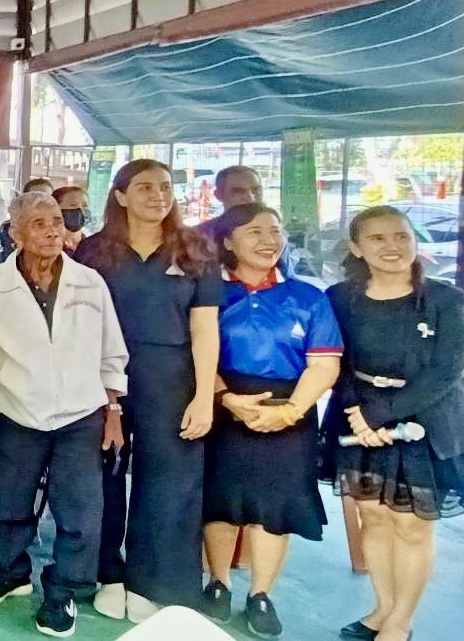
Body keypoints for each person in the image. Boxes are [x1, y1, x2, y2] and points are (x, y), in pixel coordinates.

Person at [0, 191, 127, 638]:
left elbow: (112, 350)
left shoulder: (89, 281)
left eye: (56, 221)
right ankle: (11, 572)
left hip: (81, 413)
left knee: (79, 510)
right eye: (38, 224)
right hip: (16, 410)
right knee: (7, 502)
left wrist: (113, 409)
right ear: (16, 233)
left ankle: (63, 592)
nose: (53, 231)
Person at [325, 206, 464, 641]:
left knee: (412, 525)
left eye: (401, 236)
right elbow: (334, 359)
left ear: (415, 241)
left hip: (429, 421)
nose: (392, 246)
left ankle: (401, 621)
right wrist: (359, 413)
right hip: (360, 418)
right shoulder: (340, 298)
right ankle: (382, 609)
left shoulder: (447, 300)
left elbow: (447, 371)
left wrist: (381, 414)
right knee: (373, 516)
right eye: (377, 238)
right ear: (357, 247)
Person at [73, 159, 219, 621]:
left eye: (165, 187)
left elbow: (205, 328)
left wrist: (203, 397)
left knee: (171, 481)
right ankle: (108, 574)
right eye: (145, 187)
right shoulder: (94, 251)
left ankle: (154, 582)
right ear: (120, 196)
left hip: (172, 378)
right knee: (102, 474)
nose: (158, 196)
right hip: (103, 377)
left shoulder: (195, 249)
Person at [198, 203, 341, 637]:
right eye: (255, 231)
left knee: (275, 507)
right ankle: (218, 583)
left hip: (291, 407)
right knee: (221, 500)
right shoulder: (212, 293)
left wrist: (290, 412)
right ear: (228, 241)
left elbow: (324, 364)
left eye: (275, 231)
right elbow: (198, 354)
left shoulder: (308, 297)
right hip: (223, 405)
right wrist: (227, 399)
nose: (269, 240)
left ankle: (261, 594)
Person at [53, 185, 90, 250]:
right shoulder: (49, 246)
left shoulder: (93, 245)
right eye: (73, 205)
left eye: (85, 206)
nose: (80, 209)